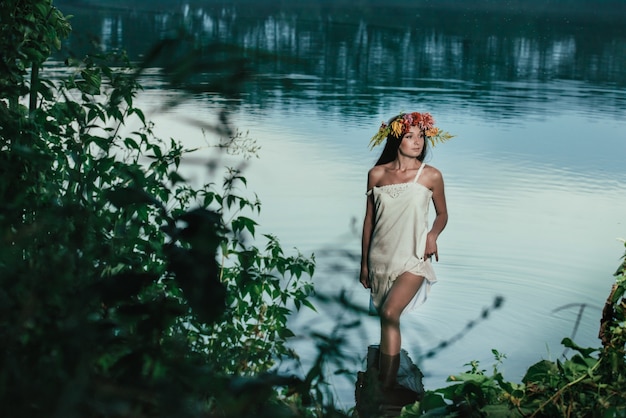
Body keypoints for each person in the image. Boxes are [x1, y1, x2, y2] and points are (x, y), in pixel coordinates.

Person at [360, 112, 452, 390]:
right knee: (385, 319)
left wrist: (433, 235)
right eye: (410, 136)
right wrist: (364, 264)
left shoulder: (431, 176)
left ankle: (386, 388)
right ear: (395, 138)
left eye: (421, 136)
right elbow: (369, 221)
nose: (417, 142)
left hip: (414, 258)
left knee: (390, 315)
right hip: (380, 258)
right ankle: (381, 391)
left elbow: (443, 214)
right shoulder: (376, 174)